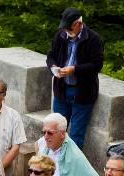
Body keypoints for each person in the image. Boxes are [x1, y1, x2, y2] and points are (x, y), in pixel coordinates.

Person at [46, 7, 104, 150]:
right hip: (62, 90)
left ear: (79, 24)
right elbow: (50, 56)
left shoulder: (93, 39)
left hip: (83, 92)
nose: (66, 31)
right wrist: (54, 67)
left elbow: (97, 65)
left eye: (69, 28)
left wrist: (75, 69)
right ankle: (52, 164)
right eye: (65, 28)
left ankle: (71, 166)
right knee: (55, 129)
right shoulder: (60, 35)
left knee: (76, 134)